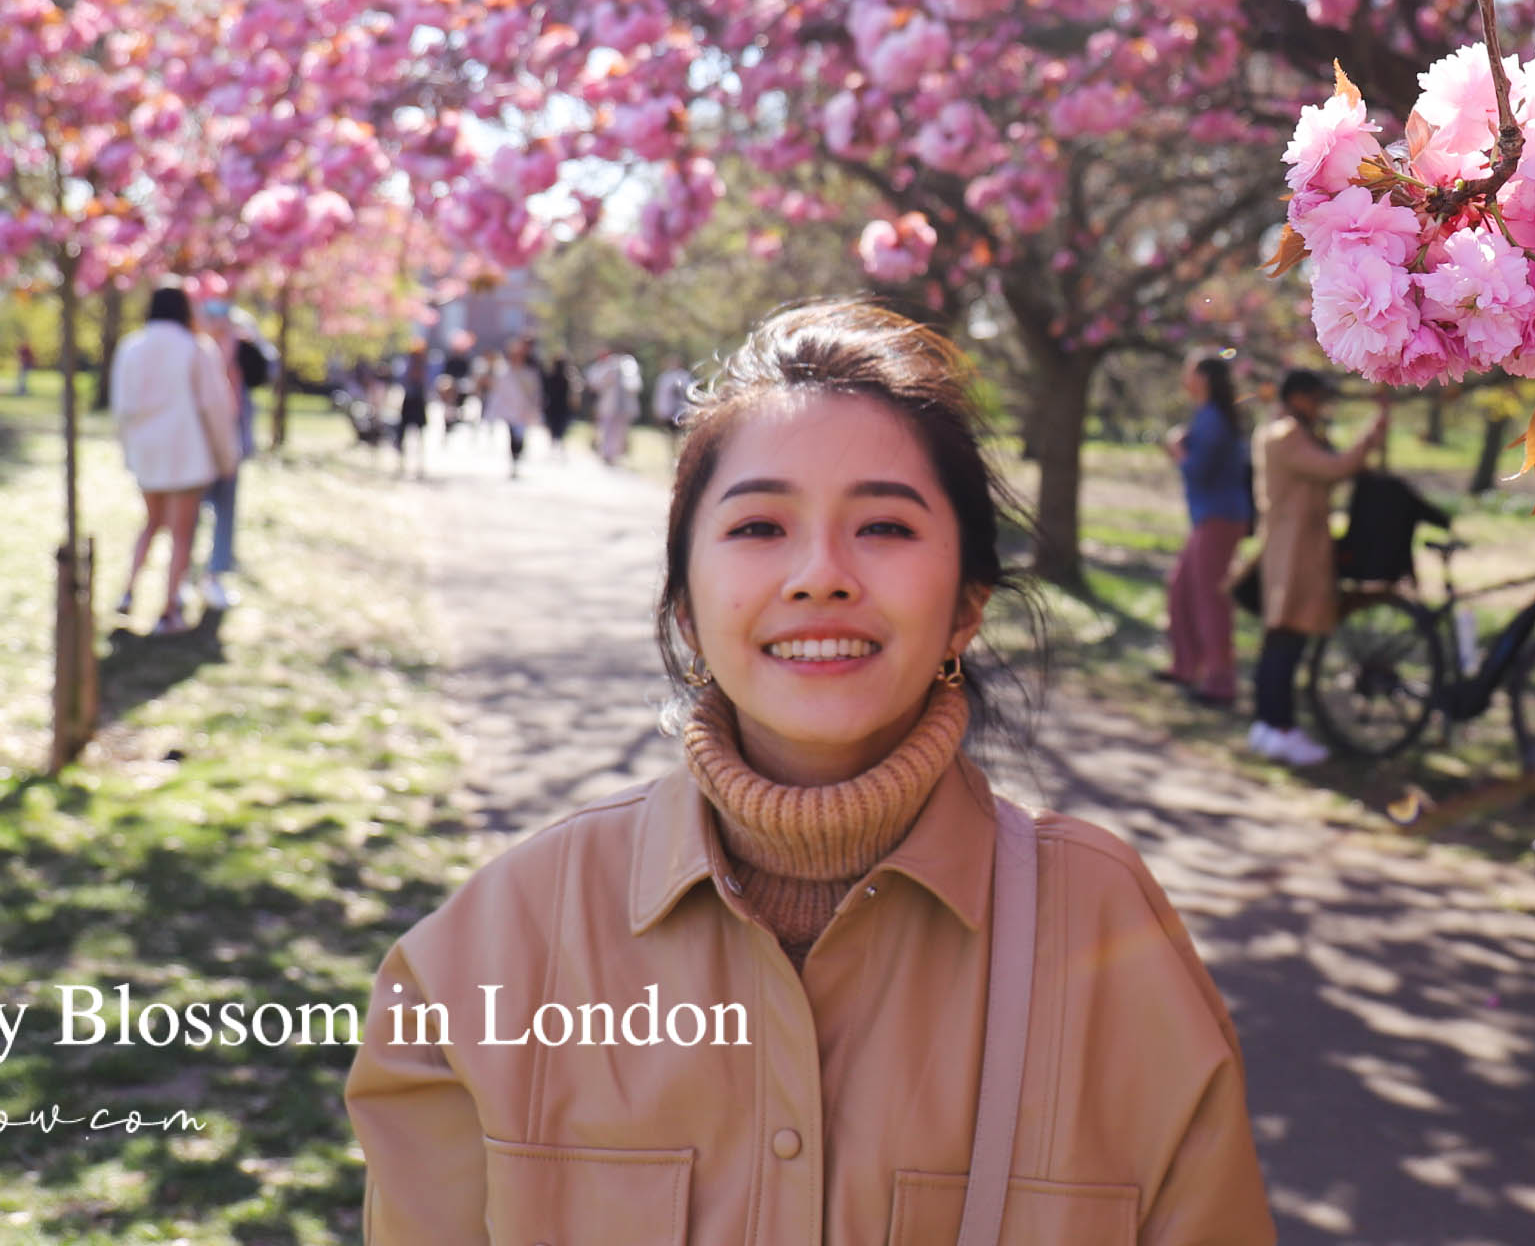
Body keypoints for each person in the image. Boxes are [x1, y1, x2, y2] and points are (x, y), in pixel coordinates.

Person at [343, 299, 1273, 1238]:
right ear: (685, 609)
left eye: (885, 527)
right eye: (759, 528)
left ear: (966, 608)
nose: (820, 574)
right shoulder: (492, 953)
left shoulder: (1107, 933)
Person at [1249, 368, 1388, 767]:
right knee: (1287, 641)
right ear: (1296, 397)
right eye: (1315, 398)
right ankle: (1279, 727)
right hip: (1295, 550)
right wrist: (1372, 434)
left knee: (1282, 641)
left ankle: (1269, 724)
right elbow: (1334, 468)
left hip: (1293, 546)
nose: (1320, 406)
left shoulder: (1285, 431)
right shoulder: (1286, 435)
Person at [108, 285, 237, 634]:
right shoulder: (196, 348)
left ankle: (128, 591)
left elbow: (121, 408)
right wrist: (226, 458)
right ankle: (169, 610)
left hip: (147, 453)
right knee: (182, 533)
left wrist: (130, 451)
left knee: (151, 522)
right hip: (186, 454)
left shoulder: (131, 347)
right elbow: (215, 408)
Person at [1160, 353, 1252, 708]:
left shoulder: (1212, 418)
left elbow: (1197, 470)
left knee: (1210, 599)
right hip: (1211, 518)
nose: (1184, 378)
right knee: (1181, 588)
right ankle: (1186, 667)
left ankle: (1220, 683)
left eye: (1190, 372)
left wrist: (1177, 449)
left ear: (1204, 379)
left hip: (1219, 519)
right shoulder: (1208, 415)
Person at [191, 298, 266, 610]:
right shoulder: (194, 349)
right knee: (191, 510)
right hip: (199, 441)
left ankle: (215, 574)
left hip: (231, 438)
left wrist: (251, 341)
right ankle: (185, 575)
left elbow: (262, 375)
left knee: (225, 509)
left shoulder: (242, 347)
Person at [486, 338, 542, 479]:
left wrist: (534, 406)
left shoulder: (529, 372)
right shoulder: (503, 372)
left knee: (520, 436)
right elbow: (496, 392)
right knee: (512, 435)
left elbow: (535, 391)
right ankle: (514, 461)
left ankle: (518, 457)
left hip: (523, 409)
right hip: (509, 410)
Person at [588, 343, 644, 466]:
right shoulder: (607, 367)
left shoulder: (629, 366)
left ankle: (614, 454)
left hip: (624, 406)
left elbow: (635, 385)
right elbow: (596, 384)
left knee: (620, 431)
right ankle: (606, 453)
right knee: (606, 429)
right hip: (609, 405)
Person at [395, 341, 433, 478]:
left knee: (419, 437)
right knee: (403, 435)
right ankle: (401, 464)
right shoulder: (407, 366)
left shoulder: (425, 367)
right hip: (409, 402)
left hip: (419, 402)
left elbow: (428, 384)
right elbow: (402, 381)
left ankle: (419, 466)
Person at [540, 349, 576, 459]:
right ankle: (557, 446)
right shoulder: (566, 377)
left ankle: (556, 445)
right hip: (558, 406)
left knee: (557, 427)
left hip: (557, 406)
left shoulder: (567, 377)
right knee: (558, 427)